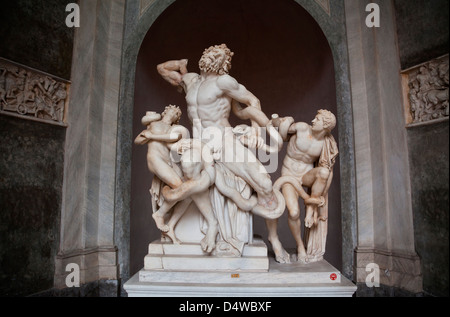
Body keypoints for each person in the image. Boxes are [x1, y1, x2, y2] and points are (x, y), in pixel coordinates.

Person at [157, 44, 284, 217]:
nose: (214, 56)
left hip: (223, 140)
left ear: (225, 63)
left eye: (220, 55)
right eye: (211, 52)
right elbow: (162, 69)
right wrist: (180, 64)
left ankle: (265, 221)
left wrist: (255, 132)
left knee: (264, 184)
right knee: (186, 168)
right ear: (204, 55)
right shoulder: (191, 80)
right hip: (199, 143)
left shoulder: (223, 81)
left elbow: (253, 101)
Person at [267, 110, 339, 263]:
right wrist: (279, 120)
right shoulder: (301, 127)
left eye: (317, 119)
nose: (313, 120)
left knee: (324, 172)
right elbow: (280, 130)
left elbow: (329, 171)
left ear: (325, 126)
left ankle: (310, 208)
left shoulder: (326, 143)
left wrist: (319, 199)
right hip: (288, 175)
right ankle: (300, 245)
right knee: (293, 213)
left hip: (306, 176)